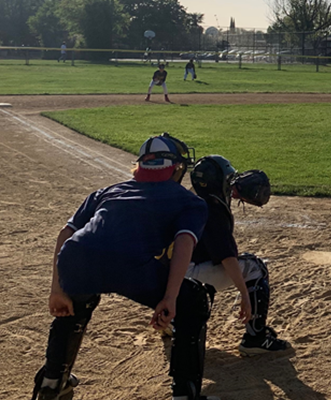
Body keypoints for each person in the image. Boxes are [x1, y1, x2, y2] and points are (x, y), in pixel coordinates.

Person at [31, 134, 215, 400]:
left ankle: (52, 381)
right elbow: (184, 241)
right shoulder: (189, 201)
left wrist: (57, 288)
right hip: (130, 265)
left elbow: (66, 233)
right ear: (176, 168)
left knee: (72, 304)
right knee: (194, 299)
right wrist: (170, 297)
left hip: (77, 259)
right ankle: (185, 393)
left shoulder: (108, 191)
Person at [187, 156, 289, 355]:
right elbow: (227, 259)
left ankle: (173, 323)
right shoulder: (214, 210)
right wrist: (244, 294)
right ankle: (255, 337)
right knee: (255, 266)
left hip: (170, 277)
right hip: (193, 277)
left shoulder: (191, 197)